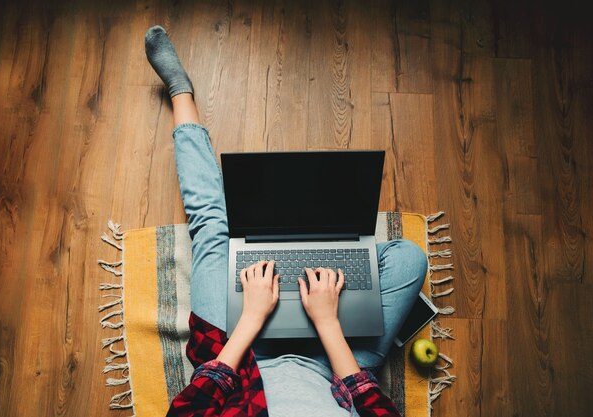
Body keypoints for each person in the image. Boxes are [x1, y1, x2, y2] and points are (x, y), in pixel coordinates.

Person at [144, 25, 427, 417]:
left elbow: (195, 402)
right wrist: (328, 322)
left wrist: (253, 317)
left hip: (238, 355)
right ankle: (338, 254)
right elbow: (372, 404)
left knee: (211, 227)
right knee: (409, 259)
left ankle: (181, 93)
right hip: (336, 367)